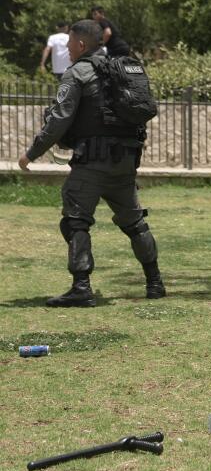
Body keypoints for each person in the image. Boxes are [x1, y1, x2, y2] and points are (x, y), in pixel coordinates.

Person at [18, 20, 164, 307]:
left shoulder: (78, 73)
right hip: (125, 162)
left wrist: (32, 153)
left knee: (75, 221)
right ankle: (155, 283)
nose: (67, 50)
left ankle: (81, 287)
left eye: (70, 44)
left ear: (81, 44)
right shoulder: (118, 70)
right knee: (135, 223)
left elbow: (59, 119)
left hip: (92, 164)